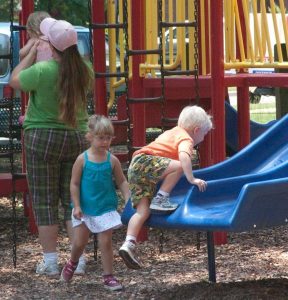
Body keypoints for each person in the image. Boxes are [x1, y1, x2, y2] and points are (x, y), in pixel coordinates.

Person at [9, 18, 93, 276]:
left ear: (52, 46)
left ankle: (51, 261)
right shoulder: (85, 70)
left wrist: (32, 52)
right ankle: (77, 261)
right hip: (77, 136)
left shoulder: (43, 70)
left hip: (42, 138)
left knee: (44, 202)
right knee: (72, 199)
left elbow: (14, 80)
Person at [119, 105, 213, 269]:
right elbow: (184, 157)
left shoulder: (172, 132)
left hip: (135, 167)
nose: (204, 138)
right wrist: (191, 179)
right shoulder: (186, 138)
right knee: (181, 166)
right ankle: (161, 198)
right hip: (145, 162)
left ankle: (128, 244)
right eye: (204, 134)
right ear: (197, 130)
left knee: (143, 211)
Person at [60, 115, 129, 290]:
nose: (105, 142)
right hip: (85, 208)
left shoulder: (111, 160)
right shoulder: (82, 159)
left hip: (105, 208)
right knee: (80, 243)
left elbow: (121, 181)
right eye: (101, 138)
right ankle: (72, 262)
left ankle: (108, 276)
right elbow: (74, 184)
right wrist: (76, 205)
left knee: (105, 242)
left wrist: (128, 199)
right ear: (90, 136)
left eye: (108, 138)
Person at [18, 11, 52, 125]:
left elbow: (21, 53)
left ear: (32, 29)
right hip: (54, 72)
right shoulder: (53, 40)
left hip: (40, 73)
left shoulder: (34, 40)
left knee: (34, 96)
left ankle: (29, 116)